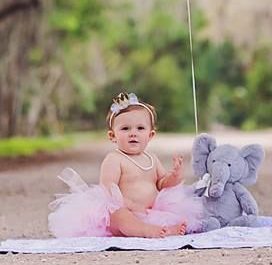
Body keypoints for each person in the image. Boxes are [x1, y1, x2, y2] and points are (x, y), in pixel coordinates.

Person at [48, 91, 205, 238]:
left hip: (149, 212)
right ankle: (147, 231)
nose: (133, 133)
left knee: (174, 213)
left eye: (140, 128)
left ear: (150, 135)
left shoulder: (152, 159)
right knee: (120, 215)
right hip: (123, 210)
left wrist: (174, 176)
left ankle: (165, 229)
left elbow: (162, 184)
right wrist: (129, 205)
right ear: (112, 136)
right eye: (125, 128)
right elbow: (108, 189)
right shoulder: (114, 159)